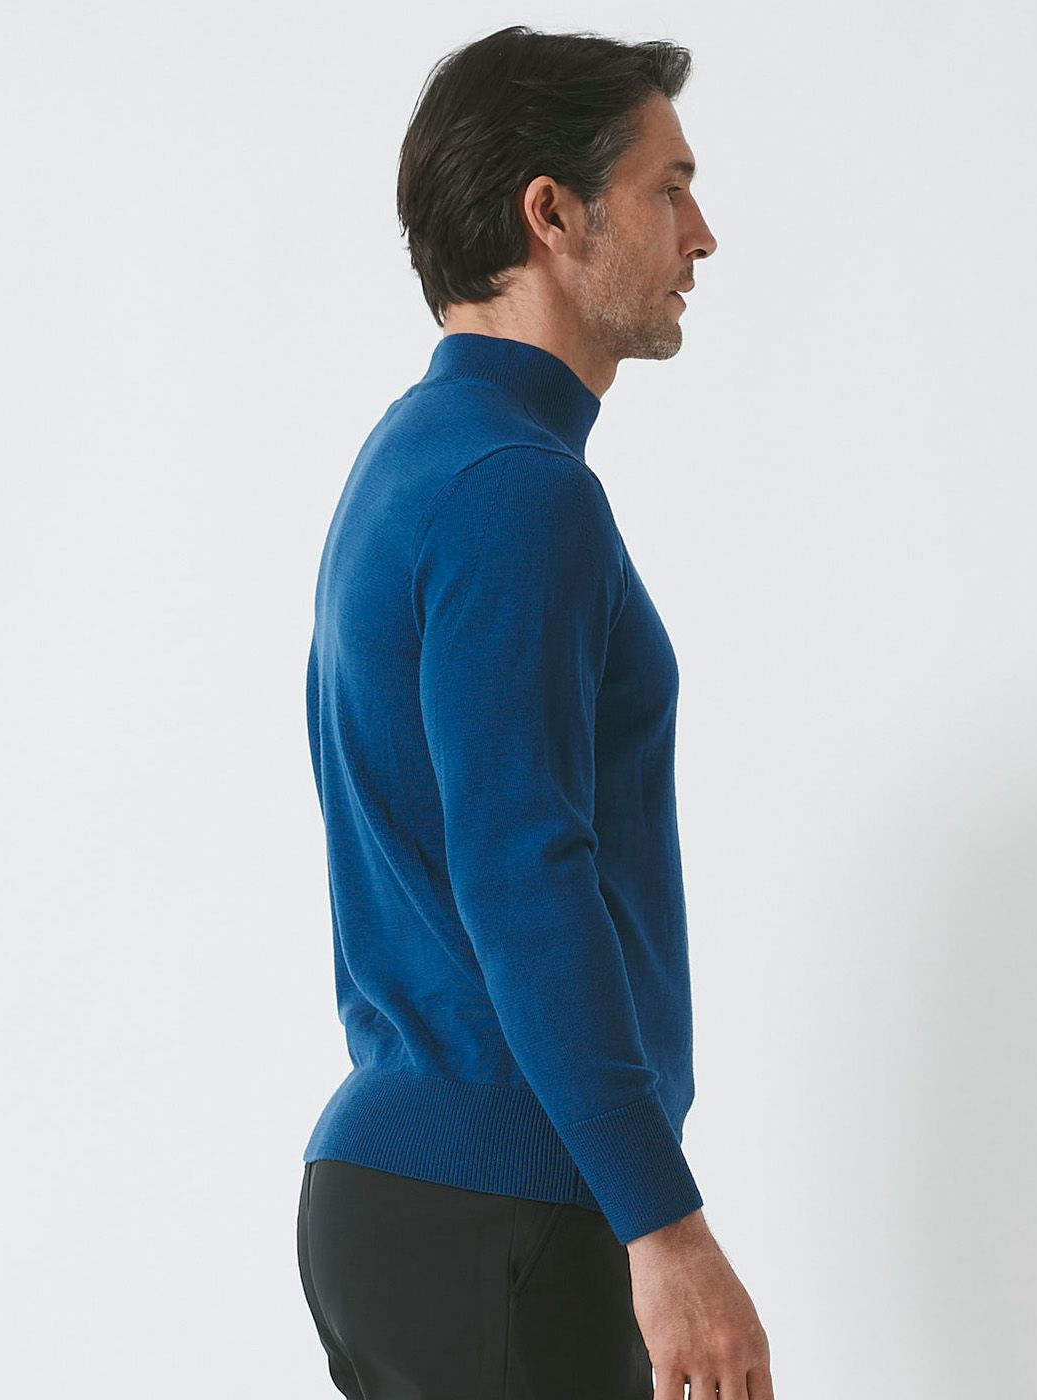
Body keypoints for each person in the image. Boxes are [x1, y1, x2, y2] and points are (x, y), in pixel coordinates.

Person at [296, 24, 774, 1400]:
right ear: (550, 215)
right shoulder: (518, 487)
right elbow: (521, 867)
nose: (701, 236)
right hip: (507, 1201)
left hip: (413, 1195)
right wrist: (665, 1226)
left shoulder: (414, 457)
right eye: (669, 189)